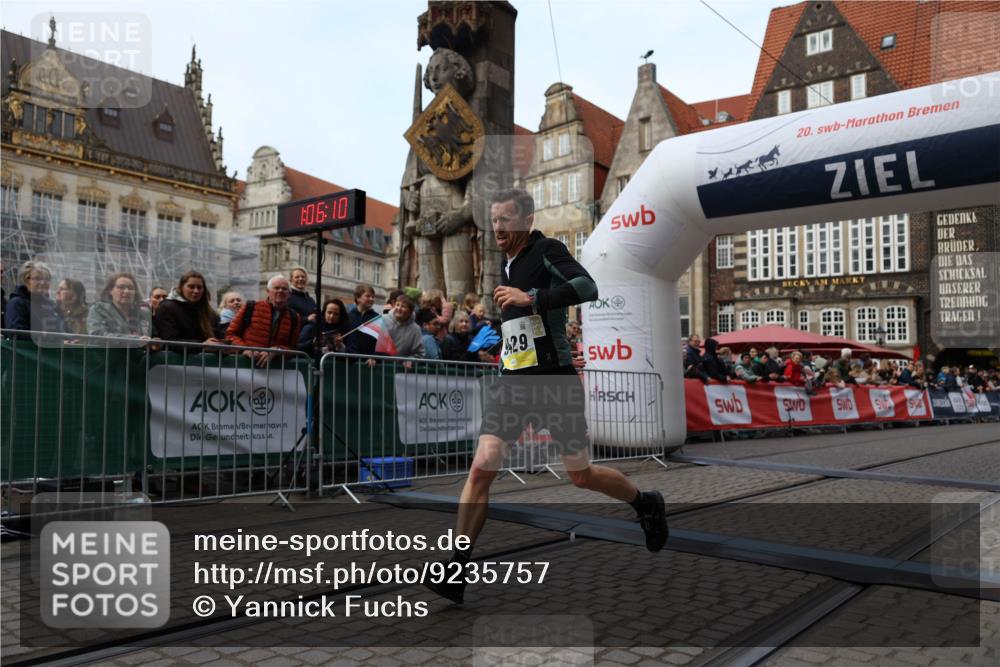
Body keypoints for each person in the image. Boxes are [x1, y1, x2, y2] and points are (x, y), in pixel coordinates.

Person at [424, 189, 668, 605]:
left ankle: (645, 502)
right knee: (481, 467)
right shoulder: (507, 265)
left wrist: (531, 298)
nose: (499, 227)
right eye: (494, 220)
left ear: (526, 219)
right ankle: (455, 567)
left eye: (506, 220)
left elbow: (587, 287)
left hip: (554, 380)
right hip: (515, 382)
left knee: (580, 474)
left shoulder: (547, 250)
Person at [226, 275, 302, 367]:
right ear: (268, 291)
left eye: (284, 289)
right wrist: (245, 349)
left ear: (289, 294)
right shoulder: (250, 307)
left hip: (275, 372)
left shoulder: (295, 317)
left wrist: (277, 350)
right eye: (276, 288)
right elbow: (230, 335)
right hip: (245, 367)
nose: (280, 291)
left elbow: (293, 348)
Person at [153, 270, 222, 346]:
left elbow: (218, 337)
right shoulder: (167, 307)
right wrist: (201, 345)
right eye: (191, 287)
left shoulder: (210, 312)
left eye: (199, 287)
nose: (196, 291)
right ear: (181, 287)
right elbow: (169, 340)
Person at [4, 260, 68, 333]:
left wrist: (73, 339)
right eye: (37, 279)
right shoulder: (17, 304)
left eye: (47, 279)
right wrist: (57, 340)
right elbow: (17, 333)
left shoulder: (52, 306)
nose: (43, 282)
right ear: (26, 280)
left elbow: (66, 329)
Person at [87, 272, 152, 338]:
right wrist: (135, 339)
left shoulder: (144, 313)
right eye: (121, 287)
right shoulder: (99, 309)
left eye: (131, 288)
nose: (126, 291)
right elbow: (97, 335)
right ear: (110, 290)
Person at [382, 294, 424, 360]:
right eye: (397, 305)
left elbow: (419, 353)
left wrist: (410, 360)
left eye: (403, 306)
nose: (399, 308)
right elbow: (371, 342)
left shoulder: (416, 329)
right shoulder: (382, 320)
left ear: (410, 311)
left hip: (401, 368)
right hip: (380, 365)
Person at [344, 283, 379, 358]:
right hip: (350, 361)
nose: (371, 299)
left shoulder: (377, 318)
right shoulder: (348, 317)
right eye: (368, 296)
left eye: (373, 297)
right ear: (358, 298)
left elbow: (381, 343)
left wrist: (375, 357)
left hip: (368, 363)